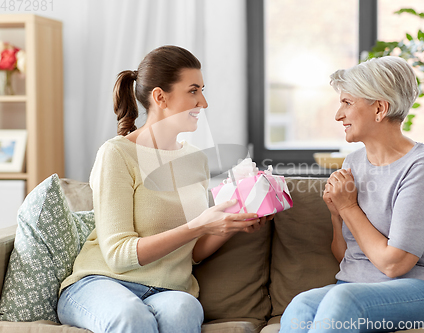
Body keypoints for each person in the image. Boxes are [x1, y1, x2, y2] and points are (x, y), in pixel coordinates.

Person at [57, 45, 273, 333]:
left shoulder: (195, 159)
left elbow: (191, 252)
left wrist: (233, 221)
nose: (204, 103)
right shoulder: (117, 154)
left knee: (185, 310)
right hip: (102, 282)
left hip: (168, 291)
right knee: (132, 317)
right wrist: (198, 225)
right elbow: (119, 256)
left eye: (202, 90)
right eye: (193, 91)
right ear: (160, 97)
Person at [279, 56, 424, 333]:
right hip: (355, 288)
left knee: (344, 298)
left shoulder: (422, 167)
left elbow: (394, 264)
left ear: (380, 108)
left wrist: (349, 207)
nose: (338, 115)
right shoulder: (353, 163)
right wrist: (336, 214)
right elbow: (347, 257)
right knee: (301, 305)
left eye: (347, 103)